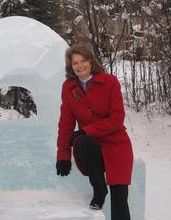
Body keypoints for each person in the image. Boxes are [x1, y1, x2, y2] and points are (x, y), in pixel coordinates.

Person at [56, 44, 133, 220]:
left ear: (91, 62)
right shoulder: (68, 87)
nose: (79, 65)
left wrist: (85, 130)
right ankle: (99, 190)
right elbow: (66, 124)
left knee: (120, 198)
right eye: (75, 63)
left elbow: (116, 118)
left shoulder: (109, 82)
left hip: (116, 143)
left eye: (83, 61)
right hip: (90, 147)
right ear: (71, 66)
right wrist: (63, 155)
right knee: (83, 142)